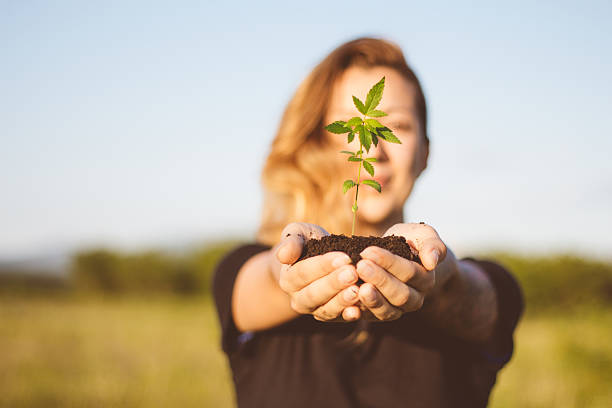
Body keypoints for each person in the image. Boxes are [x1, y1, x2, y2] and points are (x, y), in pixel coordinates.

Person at [213, 37, 523, 408]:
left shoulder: (488, 288)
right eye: (351, 125)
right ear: (319, 145)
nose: (375, 150)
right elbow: (259, 284)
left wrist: (438, 276)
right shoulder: (241, 270)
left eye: (399, 127)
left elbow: (480, 301)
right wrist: (291, 271)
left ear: (425, 153)